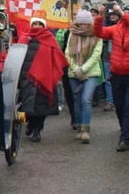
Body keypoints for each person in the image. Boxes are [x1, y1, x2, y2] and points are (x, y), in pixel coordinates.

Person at [94, 2, 129, 151]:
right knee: (119, 106)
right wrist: (100, 16)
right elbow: (98, 33)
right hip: (116, 73)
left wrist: (123, 13)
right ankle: (125, 127)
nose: (125, 16)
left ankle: (125, 139)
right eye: (125, 13)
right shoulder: (115, 29)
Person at [17, 15, 68, 143]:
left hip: (44, 78)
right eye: (35, 24)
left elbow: (57, 57)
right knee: (27, 104)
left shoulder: (50, 39)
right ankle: (30, 124)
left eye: (40, 24)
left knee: (42, 106)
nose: (37, 27)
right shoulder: (24, 38)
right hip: (26, 76)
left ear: (44, 26)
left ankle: (37, 130)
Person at [65, 8, 103, 143]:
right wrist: (75, 69)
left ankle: (86, 130)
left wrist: (83, 69)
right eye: (80, 23)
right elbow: (68, 53)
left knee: (86, 100)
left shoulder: (97, 35)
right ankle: (80, 127)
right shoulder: (72, 34)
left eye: (86, 23)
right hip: (73, 72)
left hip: (90, 73)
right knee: (77, 101)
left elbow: (96, 55)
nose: (83, 26)